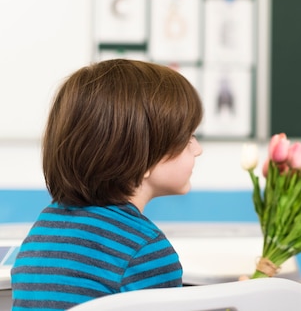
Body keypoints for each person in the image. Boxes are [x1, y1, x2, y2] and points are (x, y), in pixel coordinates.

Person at [11, 59, 204, 310]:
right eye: (187, 137)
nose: (197, 149)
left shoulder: (43, 231)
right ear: (143, 156)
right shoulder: (145, 252)